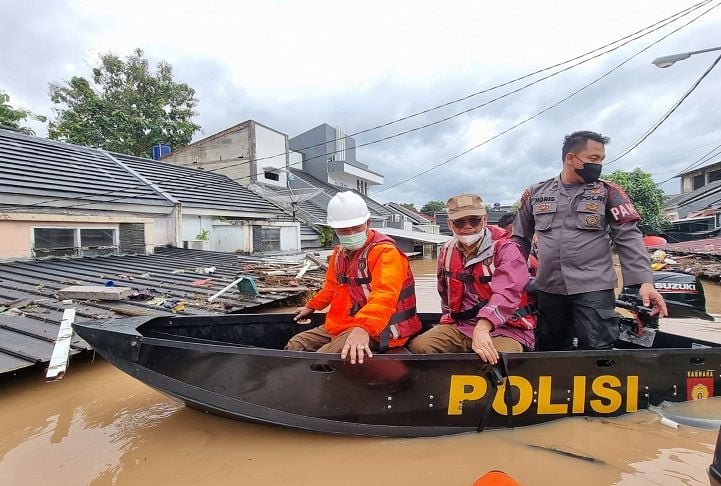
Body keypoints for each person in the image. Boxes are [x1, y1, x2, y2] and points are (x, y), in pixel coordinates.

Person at [511, 130, 667, 351]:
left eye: (602, 159)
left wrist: (645, 281)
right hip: (548, 287)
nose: (599, 164)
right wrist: (511, 279)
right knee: (549, 347)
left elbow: (628, 236)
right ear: (571, 158)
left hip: (593, 287)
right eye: (594, 159)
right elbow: (519, 239)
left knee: (597, 348)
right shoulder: (536, 193)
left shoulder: (609, 192)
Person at [286, 191, 422, 364]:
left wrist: (363, 328)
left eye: (356, 228)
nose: (350, 233)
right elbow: (331, 287)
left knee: (323, 359)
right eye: (344, 230)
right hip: (345, 323)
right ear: (335, 230)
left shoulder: (386, 253)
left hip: (382, 328)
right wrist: (311, 306)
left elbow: (385, 295)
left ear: (368, 223)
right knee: (296, 345)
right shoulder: (338, 253)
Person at [408, 193, 535, 363]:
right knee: (418, 348)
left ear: (484, 219)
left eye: (474, 220)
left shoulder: (507, 249)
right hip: (463, 326)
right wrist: (446, 321)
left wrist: (482, 329)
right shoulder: (446, 251)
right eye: (459, 222)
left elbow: (508, 293)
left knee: (497, 359)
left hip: (507, 327)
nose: (467, 227)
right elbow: (444, 293)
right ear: (450, 224)